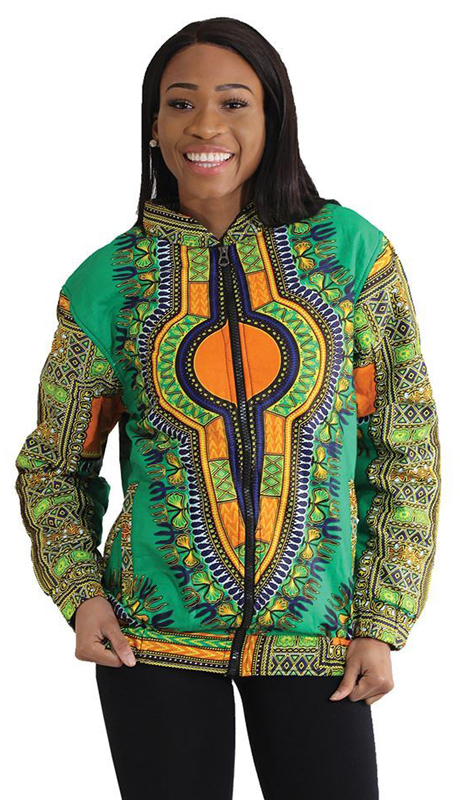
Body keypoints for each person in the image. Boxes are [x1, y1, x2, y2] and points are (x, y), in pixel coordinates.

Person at [14, 16, 441, 800]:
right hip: (153, 643)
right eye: (181, 103)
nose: (205, 125)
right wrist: (81, 594)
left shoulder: (350, 255)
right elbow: (54, 466)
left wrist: (383, 620)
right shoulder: (106, 284)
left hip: (318, 639)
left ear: (273, 119)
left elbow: (404, 449)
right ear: (153, 124)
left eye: (233, 103)